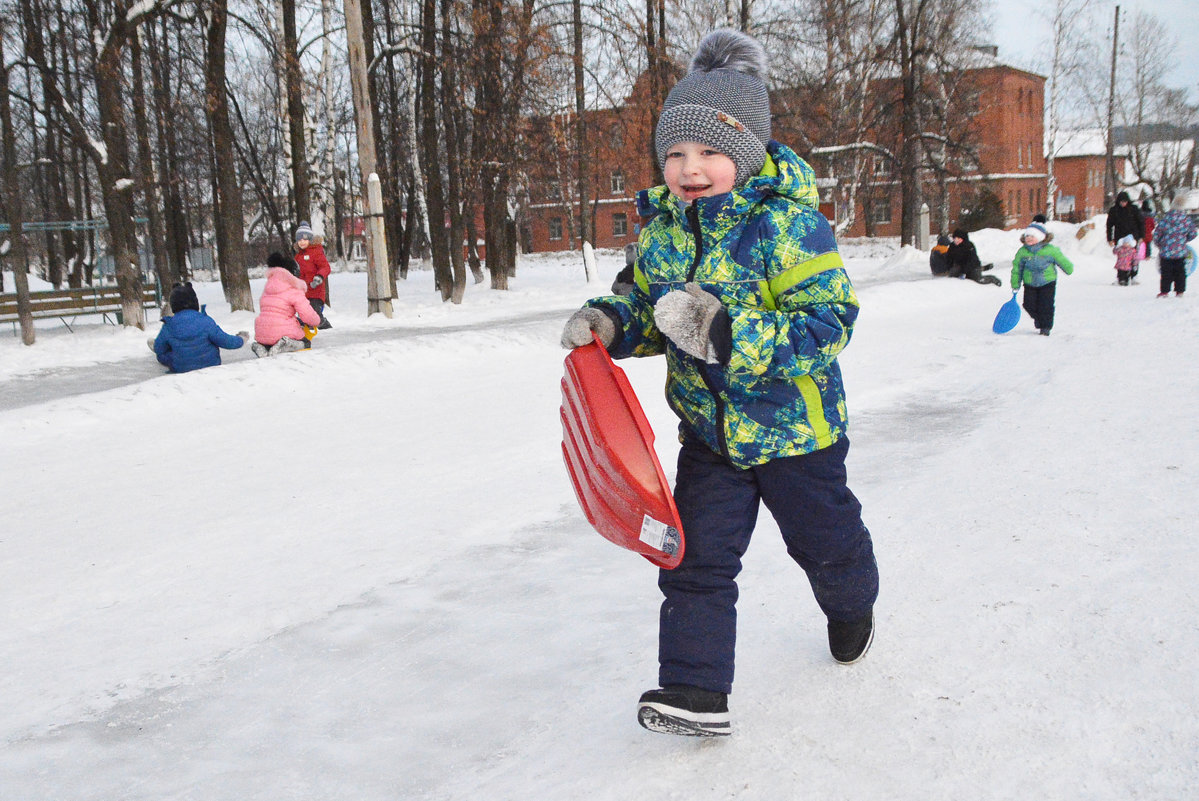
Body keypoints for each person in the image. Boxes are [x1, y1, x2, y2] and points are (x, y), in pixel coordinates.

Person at [559, 29, 878, 738]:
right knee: (695, 560)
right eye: (674, 152)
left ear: (745, 153)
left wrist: (731, 334)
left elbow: (827, 323)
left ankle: (852, 601)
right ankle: (695, 689)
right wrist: (613, 323)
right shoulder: (663, 234)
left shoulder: (787, 228)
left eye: (708, 151)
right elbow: (652, 309)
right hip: (710, 437)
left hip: (797, 435)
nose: (689, 167)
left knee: (825, 544)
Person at [152, 282, 247, 373]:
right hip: (210, 365)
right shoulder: (205, 321)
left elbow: (158, 349)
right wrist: (241, 339)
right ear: (194, 302)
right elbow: (225, 341)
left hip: (181, 368)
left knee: (162, 353)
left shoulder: (169, 325)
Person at [252, 252, 322, 356]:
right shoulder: (294, 289)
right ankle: (285, 344)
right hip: (281, 332)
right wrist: (317, 321)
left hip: (261, 332)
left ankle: (262, 346)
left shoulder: (268, 288)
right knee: (306, 343)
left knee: (272, 335)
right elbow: (307, 315)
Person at [1011, 221, 1073, 335]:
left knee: (1046, 305)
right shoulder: (1022, 252)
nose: (1028, 238)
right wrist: (1015, 283)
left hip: (1047, 283)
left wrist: (1068, 268)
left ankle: (1046, 327)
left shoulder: (1050, 250)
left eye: (1032, 236)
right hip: (1030, 283)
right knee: (1028, 304)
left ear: (1040, 237)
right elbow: (1017, 269)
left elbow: (1061, 260)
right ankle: (1039, 320)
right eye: (1027, 236)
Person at [1153, 195, 1197, 298]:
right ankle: (1180, 291)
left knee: (1166, 272)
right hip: (1180, 250)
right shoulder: (1186, 220)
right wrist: (1185, 239)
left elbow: (1157, 233)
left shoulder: (1166, 219)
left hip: (1166, 250)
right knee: (1180, 272)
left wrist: (1159, 243)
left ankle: (1165, 291)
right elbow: (1194, 233)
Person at [294, 221, 332, 329]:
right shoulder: (298, 256)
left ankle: (325, 328)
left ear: (310, 240)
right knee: (304, 314)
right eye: (300, 240)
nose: (302, 242)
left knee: (315, 314)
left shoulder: (316, 252)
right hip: (303, 293)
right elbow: (296, 272)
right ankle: (305, 330)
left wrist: (319, 277)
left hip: (316, 291)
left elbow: (325, 267)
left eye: (305, 239)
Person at [1105, 191, 1144, 283]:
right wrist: (1109, 239)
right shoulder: (1114, 210)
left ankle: (1134, 275)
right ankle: (1121, 277)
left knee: (1134, 256)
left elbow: (1141, 223)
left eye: (1125, 201)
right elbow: (1109, 225)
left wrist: (1141, 236)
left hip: (1134, 237)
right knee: (1121, 257)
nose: (1123, 203)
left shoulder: (1134, 209)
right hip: (1120, 237)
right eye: (1121, 201)